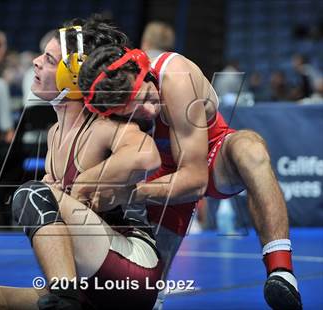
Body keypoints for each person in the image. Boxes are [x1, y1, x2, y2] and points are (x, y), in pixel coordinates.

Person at [0, 19, 163, 310]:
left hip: (132, 266)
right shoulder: (54, 134)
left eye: (49, 59)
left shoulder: (100, 124)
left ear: (74, 76)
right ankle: (65, 297)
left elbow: (146, 155)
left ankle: (64, 299)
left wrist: (85, 181)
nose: (36, 63)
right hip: (91, 282)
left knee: (31, 193)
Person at [78, 45, 303, 310]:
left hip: (209, 155)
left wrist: (131, 192)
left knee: (251, 149)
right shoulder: (106, 109)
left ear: (146, 73)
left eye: (147, 98)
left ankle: (281, 272)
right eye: (134, 112)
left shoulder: (175, 75)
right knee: (144, 297)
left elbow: (195, 181)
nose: (149, 112)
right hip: (159, 173)